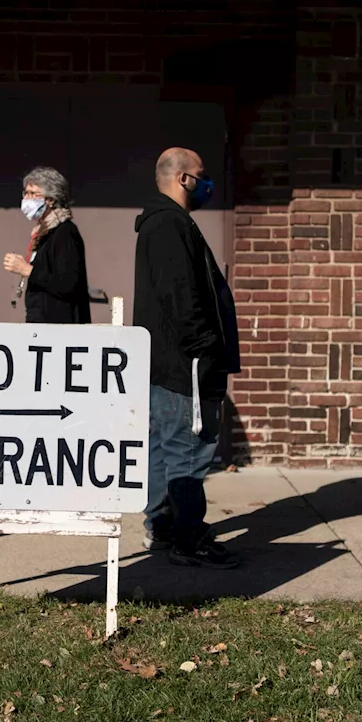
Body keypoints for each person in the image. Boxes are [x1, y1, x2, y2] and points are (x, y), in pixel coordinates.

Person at [134, 147, 241, 569]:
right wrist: (205, 348)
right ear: (182, 178)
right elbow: (182, 297)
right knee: (186, 451)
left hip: (170, 364)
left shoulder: (164, 224)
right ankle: (188, 537)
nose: (206, 182)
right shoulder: (169, 226)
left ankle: (163, 528)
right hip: (185, 366)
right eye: (201, 175)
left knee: (163, 449)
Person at [2, 166, 91, 324]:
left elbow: (69, 283)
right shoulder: (43, 233)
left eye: (33, 194)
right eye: (25, 193)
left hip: (59, 327)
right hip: (41, 324)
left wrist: (28, 270)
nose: (27, 199)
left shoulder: (65, 233)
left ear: (50, 199)